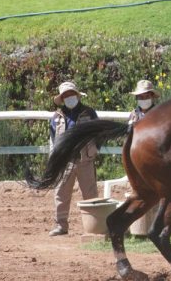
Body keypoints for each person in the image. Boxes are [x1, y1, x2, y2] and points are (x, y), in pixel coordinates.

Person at [48, 81, 99, 236]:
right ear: (62, 98)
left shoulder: (89, 113)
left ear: (77, 95)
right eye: (66, 95)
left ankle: (94, 227)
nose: (69, 97)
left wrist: (94, 150)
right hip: (64, 161)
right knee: (61, 194)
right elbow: (52, 140)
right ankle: (61, 226)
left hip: (85, 160)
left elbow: (99, 133)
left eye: (71, 93)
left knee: (90, 194)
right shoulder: (56, 117)